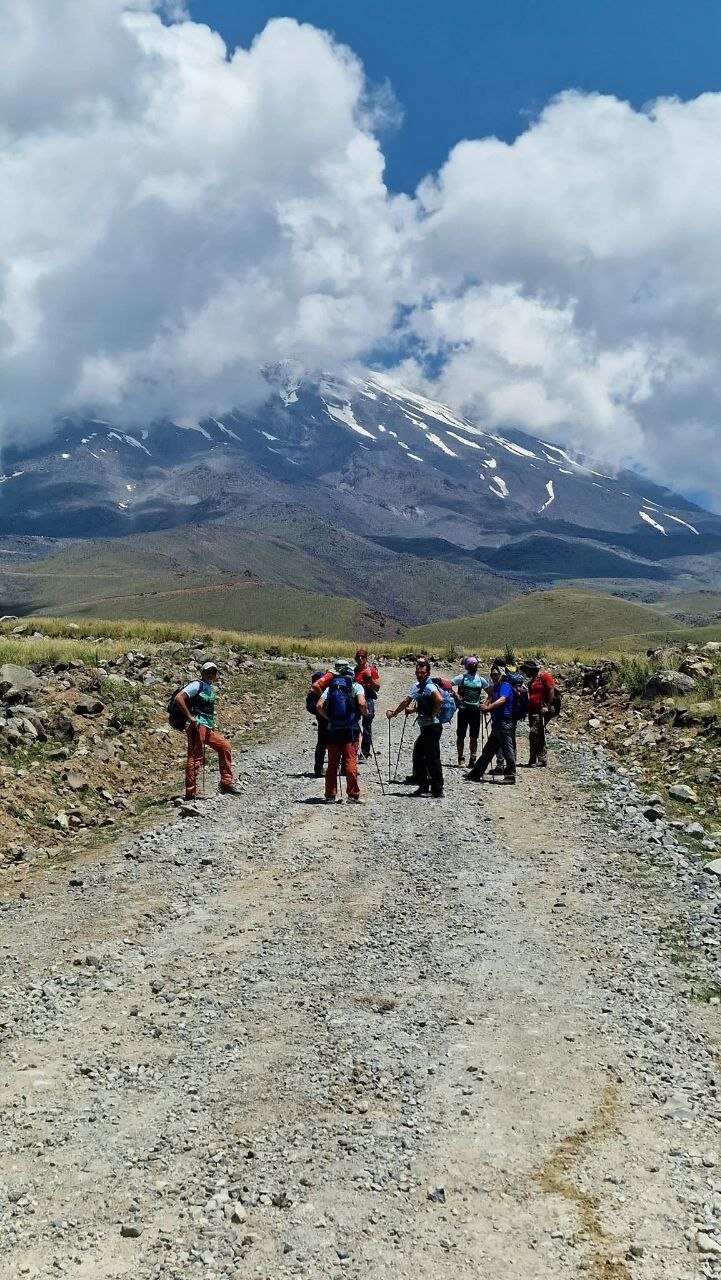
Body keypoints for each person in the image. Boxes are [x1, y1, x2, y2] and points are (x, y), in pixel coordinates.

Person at [174, 661, 240, 800]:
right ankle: (190, 793)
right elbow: (179, 697)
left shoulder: (208, 687)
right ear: (202, 672)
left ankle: (226, 783)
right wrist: (191, 718)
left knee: (224, 746)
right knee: (196, 757)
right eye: (208, 671)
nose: (211, 674)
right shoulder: (196, 685)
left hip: (207, 727)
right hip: (197, 726)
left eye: (213, 672)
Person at [386, 657, 444, 798]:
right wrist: (411, 711)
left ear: (428, 673)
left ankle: (437, 789)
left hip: (433, 726)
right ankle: (424, 785)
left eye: (422, 672)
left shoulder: (430, 686)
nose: (419, 674)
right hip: (426, 727)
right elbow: (408, 701)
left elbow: (439, 699)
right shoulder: (417, 686)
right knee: (420, 755)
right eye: (418, 672)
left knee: (432, 757)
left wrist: (433, 714)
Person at [316, 660, 367, 803]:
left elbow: (319, 706)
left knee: (332, 763)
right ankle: (352, 795)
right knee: (350, 761)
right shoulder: (356, 686)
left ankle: (330, 795)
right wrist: (364, 714)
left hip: (333, 730)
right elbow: (362, 703)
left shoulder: (330, 688)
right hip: (350, 730)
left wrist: (330, 718)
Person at [465, 662, 517, 784]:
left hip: (505, 723)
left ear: (501, 674)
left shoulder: (505, 686)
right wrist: (485, 706)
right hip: (498, 724)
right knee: (489, 749)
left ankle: (510, 775)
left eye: (496, 674)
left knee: (507, 749)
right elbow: (491, 698)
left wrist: (489, 708)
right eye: (492, 674)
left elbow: (502, 699)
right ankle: (476, 773)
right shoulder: (497, 687)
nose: (493, 676)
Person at [452, 656, 489, 767]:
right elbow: (449, 685)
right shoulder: (461, 678)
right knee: (461, 735)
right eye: (472, 665)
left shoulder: (481, 680)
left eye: (475, 665)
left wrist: (485, 704)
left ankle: (472, 758)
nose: (474, 667)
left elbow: (490, 693)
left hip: (475, 711)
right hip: (463, 711)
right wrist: (455, 695)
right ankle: (461, 758)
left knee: (474, 736)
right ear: (467, 666)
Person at [521, 658, 556, 767]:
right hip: (532, 710)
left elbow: (551, 690)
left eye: (527, 670)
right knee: (538, 734)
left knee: (534, 733)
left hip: (541, 710)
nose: (526, 673)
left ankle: (535, 758)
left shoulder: (544, 677)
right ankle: (540, 758)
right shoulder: (533, 679)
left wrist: (548, 706)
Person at [354, 648, 381, 760]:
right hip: (356, 699)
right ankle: (353, 750)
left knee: (366, 725)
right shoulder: (354, 670)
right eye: (358, 657)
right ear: (356, 658)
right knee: (354, 724)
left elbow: (377, 687)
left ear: (366, 658)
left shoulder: (371, 671)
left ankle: (365, 752)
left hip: (368, 698)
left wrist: (370, 678)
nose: (360, 659)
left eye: (363, 657)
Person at [306, 669, 328, 777]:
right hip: (326, 714)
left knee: (322, 742)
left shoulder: (318, 680)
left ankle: (318, 769)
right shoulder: (325, 681)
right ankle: (340, 768)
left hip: (320, 715)